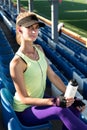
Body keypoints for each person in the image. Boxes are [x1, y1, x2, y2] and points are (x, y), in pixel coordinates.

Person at [10, 11, 86, 130]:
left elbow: (52, 75)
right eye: (30, 28)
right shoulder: (17, 63)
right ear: (20, 30)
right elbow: (24, 99)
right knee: (60, 109)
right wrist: (54, 101)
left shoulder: (39, 49)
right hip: (25, 110)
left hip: (39, 100)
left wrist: (71, 97)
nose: (35, 31)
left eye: (36, 28)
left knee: (74, 107)